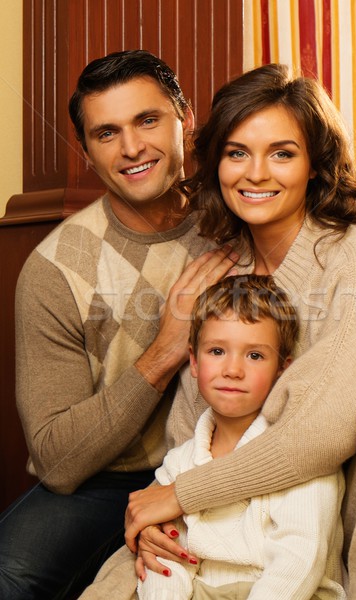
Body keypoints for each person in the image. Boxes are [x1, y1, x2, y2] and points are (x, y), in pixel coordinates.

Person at [123, 64, 356, 599]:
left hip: (353, 504)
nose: (256, 174)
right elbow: (191, 423)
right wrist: (165, 503)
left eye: (282, 153)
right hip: (235, 519)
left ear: (316, 167)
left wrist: (184, 492)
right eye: (236, 153)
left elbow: (323, 434)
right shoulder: (213, 269)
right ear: (216, 164)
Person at [0, 50, 239, 600]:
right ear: (86, 153)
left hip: (218, 460)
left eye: (148, 120)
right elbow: (58, 458)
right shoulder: (54, 270)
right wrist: (165, 350)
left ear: (186, 120)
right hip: (103, 478)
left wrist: (185, 490)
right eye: (107, 133)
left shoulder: (239, 220)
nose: (132, 148)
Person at [80, 274, 346, 600]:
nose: (232, 370)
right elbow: (167, 558)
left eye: (255, 356)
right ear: (193, 361)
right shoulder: (181, 461)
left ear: (283, 369)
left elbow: (300, 559)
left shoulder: (300, 456)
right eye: (217, 351)